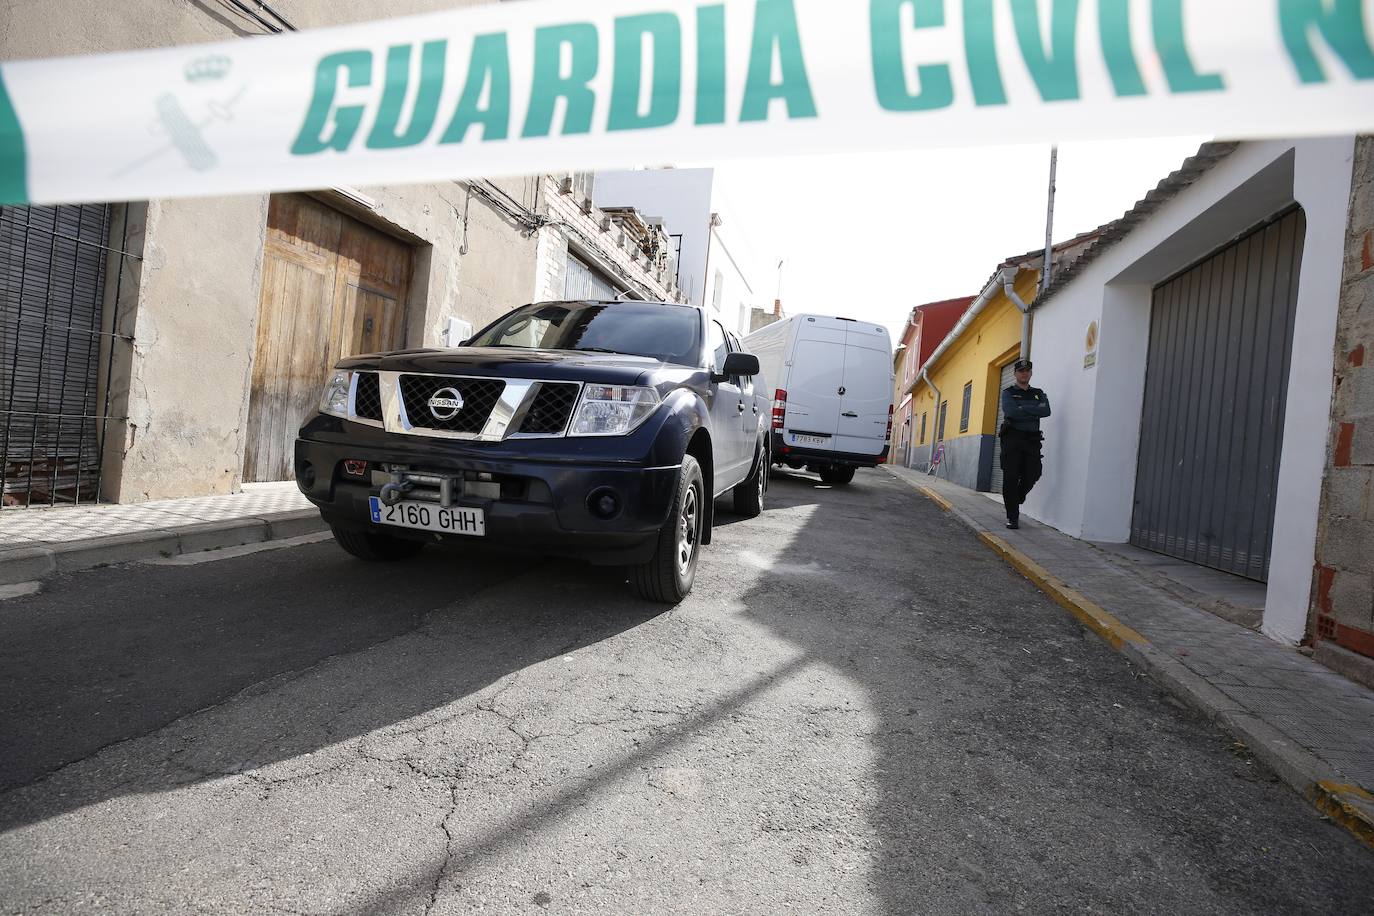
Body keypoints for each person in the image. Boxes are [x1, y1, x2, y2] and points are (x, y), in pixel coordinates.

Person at [999, 359, 1051, 530]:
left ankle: (1018, 497)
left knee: (1034, 473)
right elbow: (1011, 411)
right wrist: (1032, 410)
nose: (1024, 373)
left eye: (1027, 370)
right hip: (1012, 439)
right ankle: (1012, 517)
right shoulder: (1008, 393)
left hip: (1032, 440)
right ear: (1015, 374)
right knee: (1011, 478)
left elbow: (1046, 411)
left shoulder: (1038, 393)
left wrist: (1023, 408)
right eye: (1021, 371)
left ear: (1031, 373)